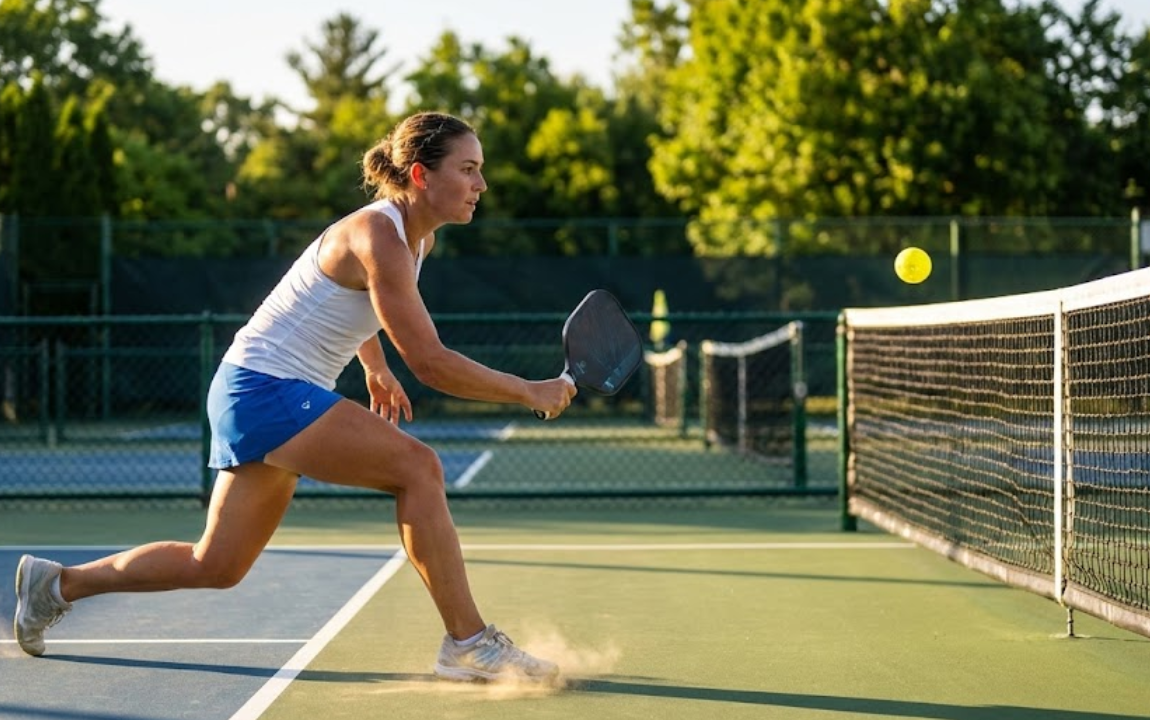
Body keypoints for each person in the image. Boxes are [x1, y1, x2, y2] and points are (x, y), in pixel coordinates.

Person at [12, 111, 577, 683]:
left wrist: (373, 365)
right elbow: (429, 361)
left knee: (217, 564)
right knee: (420, 469)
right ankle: (470, 644)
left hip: (253, 388)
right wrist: (531, 390)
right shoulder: (379, 233)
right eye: (469, 169)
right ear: (421, 175)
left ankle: (57, 584)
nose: (481, 184)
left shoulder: (414, 238)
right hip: (265, 388)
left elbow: (355, 305)